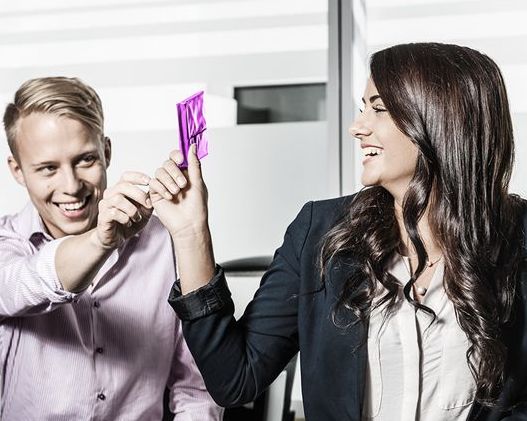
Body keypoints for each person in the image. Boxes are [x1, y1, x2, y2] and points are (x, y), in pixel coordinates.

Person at [149, 43, 527, 420]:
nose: (357, 127)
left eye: (378, 109)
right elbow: (235, 379)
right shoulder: (322, 233)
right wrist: (190, 233)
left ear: (441, 118)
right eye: (364, 109)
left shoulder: (518, 239)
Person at [0, 77, 223, 421]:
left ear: (106, 151)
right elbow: (21, 285)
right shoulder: (6, 244)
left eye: (85, 160)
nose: (71, 186)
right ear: (17, 170)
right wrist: (102, 242)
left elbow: (196, 387)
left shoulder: (163, 241)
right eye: (48, 168)